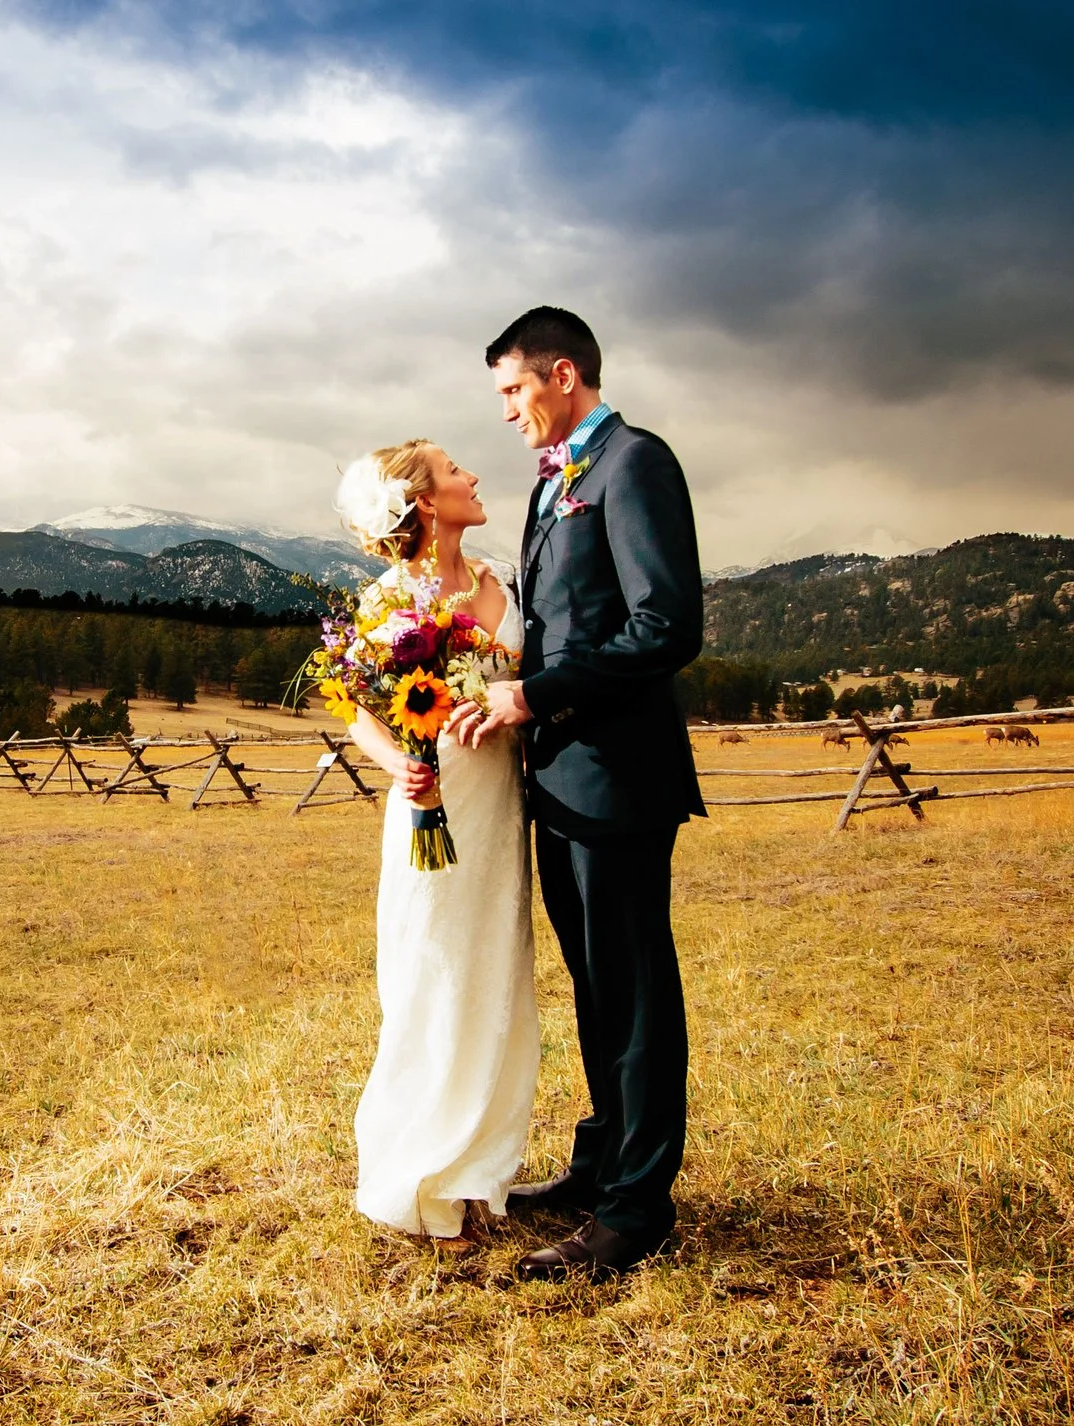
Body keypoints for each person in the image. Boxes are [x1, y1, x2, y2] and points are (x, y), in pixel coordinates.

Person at [451, 305, 705, 1281]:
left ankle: (636, 1209)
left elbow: (665, 626)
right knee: (597, 991)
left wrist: (535, 694)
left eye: (514, 389)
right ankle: (602, 1167)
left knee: (634, 995)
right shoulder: (553, 483)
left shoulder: (635, 464)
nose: (509, 411)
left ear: (562, 376)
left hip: (618, 780)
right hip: (557, 781)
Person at [334, 439, 539, 1244]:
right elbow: (360, 712)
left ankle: (483, 1171)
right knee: (432, 974)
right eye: (455, 472)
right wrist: (400, 771)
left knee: (495, 977)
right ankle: (419, 1169)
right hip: (436, 805)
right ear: (423, 501)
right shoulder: (389, 600)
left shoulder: (495, 581)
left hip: (500, 809)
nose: (473, 477)